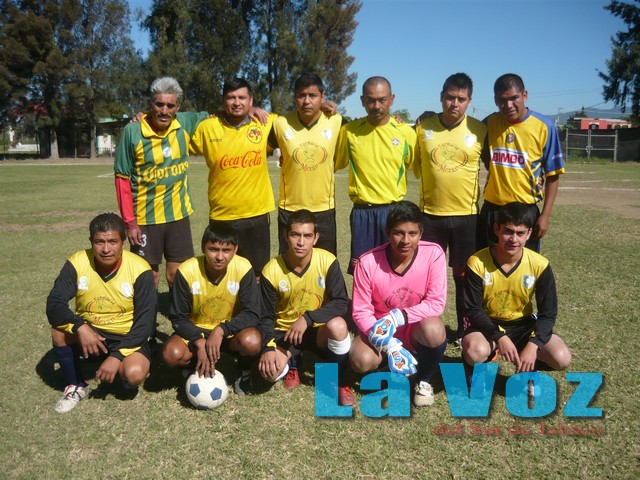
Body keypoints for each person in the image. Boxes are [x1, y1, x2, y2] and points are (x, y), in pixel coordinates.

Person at [46, 213, 157, 413]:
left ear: (123, 243)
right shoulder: (77, 262)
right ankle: (76, 385)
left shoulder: (140, 269)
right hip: (90, 333)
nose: (106, 249)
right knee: (59, 330)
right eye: (99, 242)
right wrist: (80, 327)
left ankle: (120, 367)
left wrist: (117, 356)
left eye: (113, 242)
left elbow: (145, 323)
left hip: (125, 335)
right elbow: (54, 304)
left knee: (134, 374)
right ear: (91, 242)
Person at [462, 202, 571, 390]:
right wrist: (500, 336)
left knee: (562, 358)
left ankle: (527, 368)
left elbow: (548, 313)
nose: (513, 239)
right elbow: (472, 309)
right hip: (486, 325)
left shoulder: (540, 264)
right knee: (475, 351)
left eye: (520, 233)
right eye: (508, 231)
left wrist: (533, 345)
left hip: (523, 325)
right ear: (496, 229)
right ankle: (476, 368)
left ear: (529, 233)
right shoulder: (477, 262)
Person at [350, 201, 448, 407]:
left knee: (434, 329)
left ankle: (424, 380)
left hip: (414, 328)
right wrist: (390, 344)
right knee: (360, 360)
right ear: (387, 232)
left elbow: (436, 303)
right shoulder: (367, 262)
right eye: (398, 233)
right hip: (379, 329)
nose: (405, 240)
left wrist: (398, 317)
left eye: (412, 233)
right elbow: (361, 312)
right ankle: (387, 368)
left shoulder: (434, 253)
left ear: (421, 233)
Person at [414, 73, 487, 344]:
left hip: (466, 216)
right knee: (426, 275)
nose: (455, 103)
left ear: (469, 101)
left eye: (461, 99)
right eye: (450, 97)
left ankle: (466, 328)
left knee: (463, 275)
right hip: (429, 215)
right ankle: (421, 328)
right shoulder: (422, 128)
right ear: (441, 97)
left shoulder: (480, 130)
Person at [114, 76, 208, 289]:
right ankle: (147, 310)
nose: (164, 111)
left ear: (178, 107)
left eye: (170, 105)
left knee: (178, 274)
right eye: (159, 104)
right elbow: (122, 180)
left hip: (178, 215)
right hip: (145, 218)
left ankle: (178, 309)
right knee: (149, 276)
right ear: (150, 104)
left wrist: (250, 109)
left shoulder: (185, 122)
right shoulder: (132, 131)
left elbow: (217, 115)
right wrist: (130, 223)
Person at [258, 209, 353, 406]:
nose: (301, 242)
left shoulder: (327, 261)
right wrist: (268, 347)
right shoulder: (271, 270)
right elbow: (265, 316)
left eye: (307, 236)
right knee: (269, 373)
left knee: (338, 326)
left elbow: (341, 302)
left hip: (318, 330)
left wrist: (308, 318)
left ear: (315, 238)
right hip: (285, 333)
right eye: (295, 235)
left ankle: (336, 378)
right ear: (286, 235)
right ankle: (293, 363)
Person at [163, 222, 262, 395]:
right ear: (203, 248)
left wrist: (222, 330)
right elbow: (178, 317)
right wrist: (198, 340)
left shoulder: (243, 267)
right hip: (196, 330)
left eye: (226, 250)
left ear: (235, 250)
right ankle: (192, 367)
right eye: (213, 249)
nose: (219, 257)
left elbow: (252, 313)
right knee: (172, 354)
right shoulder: (187, 270)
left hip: (229, 332)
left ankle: (244, 371)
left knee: (252, 341)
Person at [190, 77, 277, 275]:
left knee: (257, 274)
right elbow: (177, 131)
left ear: (251, 100)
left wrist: (323, 108)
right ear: (223, 101)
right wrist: (143, 118)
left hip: (257, 214)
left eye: (242, 98)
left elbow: (298, 119)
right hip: (222, 215)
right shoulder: (207, 127)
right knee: (222, 272)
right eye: (231, 98)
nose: (237, 102)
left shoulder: (265, 122)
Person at [335, 76, 417, 274]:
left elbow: (415, 166)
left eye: (382, 99)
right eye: (371, 100)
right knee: (362, 271)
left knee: (395, 270)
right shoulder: (349, 132)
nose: (377, 106)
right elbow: (336, 163)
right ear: (362, 100)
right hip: (363, 213)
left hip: (393, 212)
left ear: (392, 99)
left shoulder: (405, 132)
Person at [478, 73, 565, 252]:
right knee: (487, 264)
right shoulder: (488, 124)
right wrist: (432, 116)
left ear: (524, 95)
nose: (508, 105)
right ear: (495, 101)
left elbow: (553, 175)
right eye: (502, 100)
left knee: (523, 267)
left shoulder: (544, 126)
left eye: (514, 98)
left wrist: (545, 215)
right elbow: (461, 126)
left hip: (525, 211)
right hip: (492, 210)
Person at [272, 73, 343, 256]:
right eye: (301, 95)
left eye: (312, 95)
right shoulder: (279, 124)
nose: (306, 101)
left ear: (323, 97)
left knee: (325, 262)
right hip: (290, 208)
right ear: (294, 98)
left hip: (324, 209)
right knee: (290, 263)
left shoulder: (337, 121)